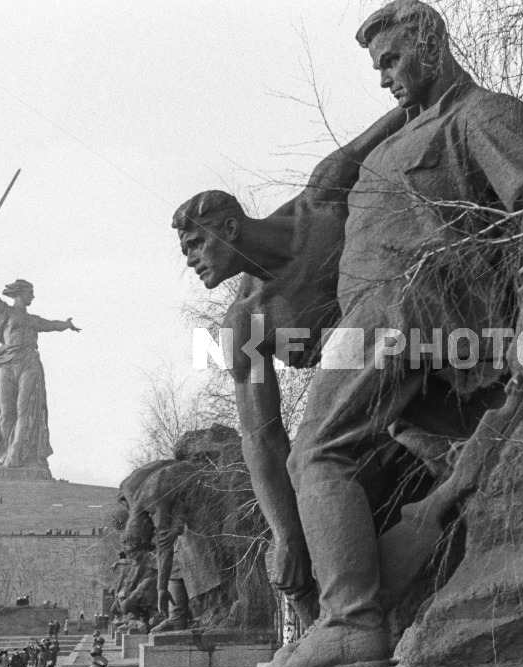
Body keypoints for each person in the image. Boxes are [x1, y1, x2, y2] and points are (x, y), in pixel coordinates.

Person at [260, 0, 523, 667]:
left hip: (412, 311)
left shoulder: (480, 115)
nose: (383, 77)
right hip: (372, 322)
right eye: (376, 66)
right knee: (437, 468)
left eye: (393, 59)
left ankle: (353, 622)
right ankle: (428, 593)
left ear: (431, 42)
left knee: (317, 452)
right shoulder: (406, 131)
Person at [173, 107, 409, 626]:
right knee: (321, 483)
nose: (190, 259)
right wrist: (286, 535)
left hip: (418, 321)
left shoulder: (322, 200)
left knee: (319, 456)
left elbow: (410, 111)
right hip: (371, 393)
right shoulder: (245, 321)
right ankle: (329, 626)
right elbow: (261, 437)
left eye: (195, 243)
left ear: (230, 227)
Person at [0, 240, 80, 471]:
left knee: (25, 409)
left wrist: (66, 324)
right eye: (31, 293)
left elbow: (52, 324)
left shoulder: (33, 320)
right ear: (21, 293)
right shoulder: (4, 311)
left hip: (29, 363)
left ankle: (15, 456)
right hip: (6, 364)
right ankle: (7, 453)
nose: (33, 297)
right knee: (6, 414)